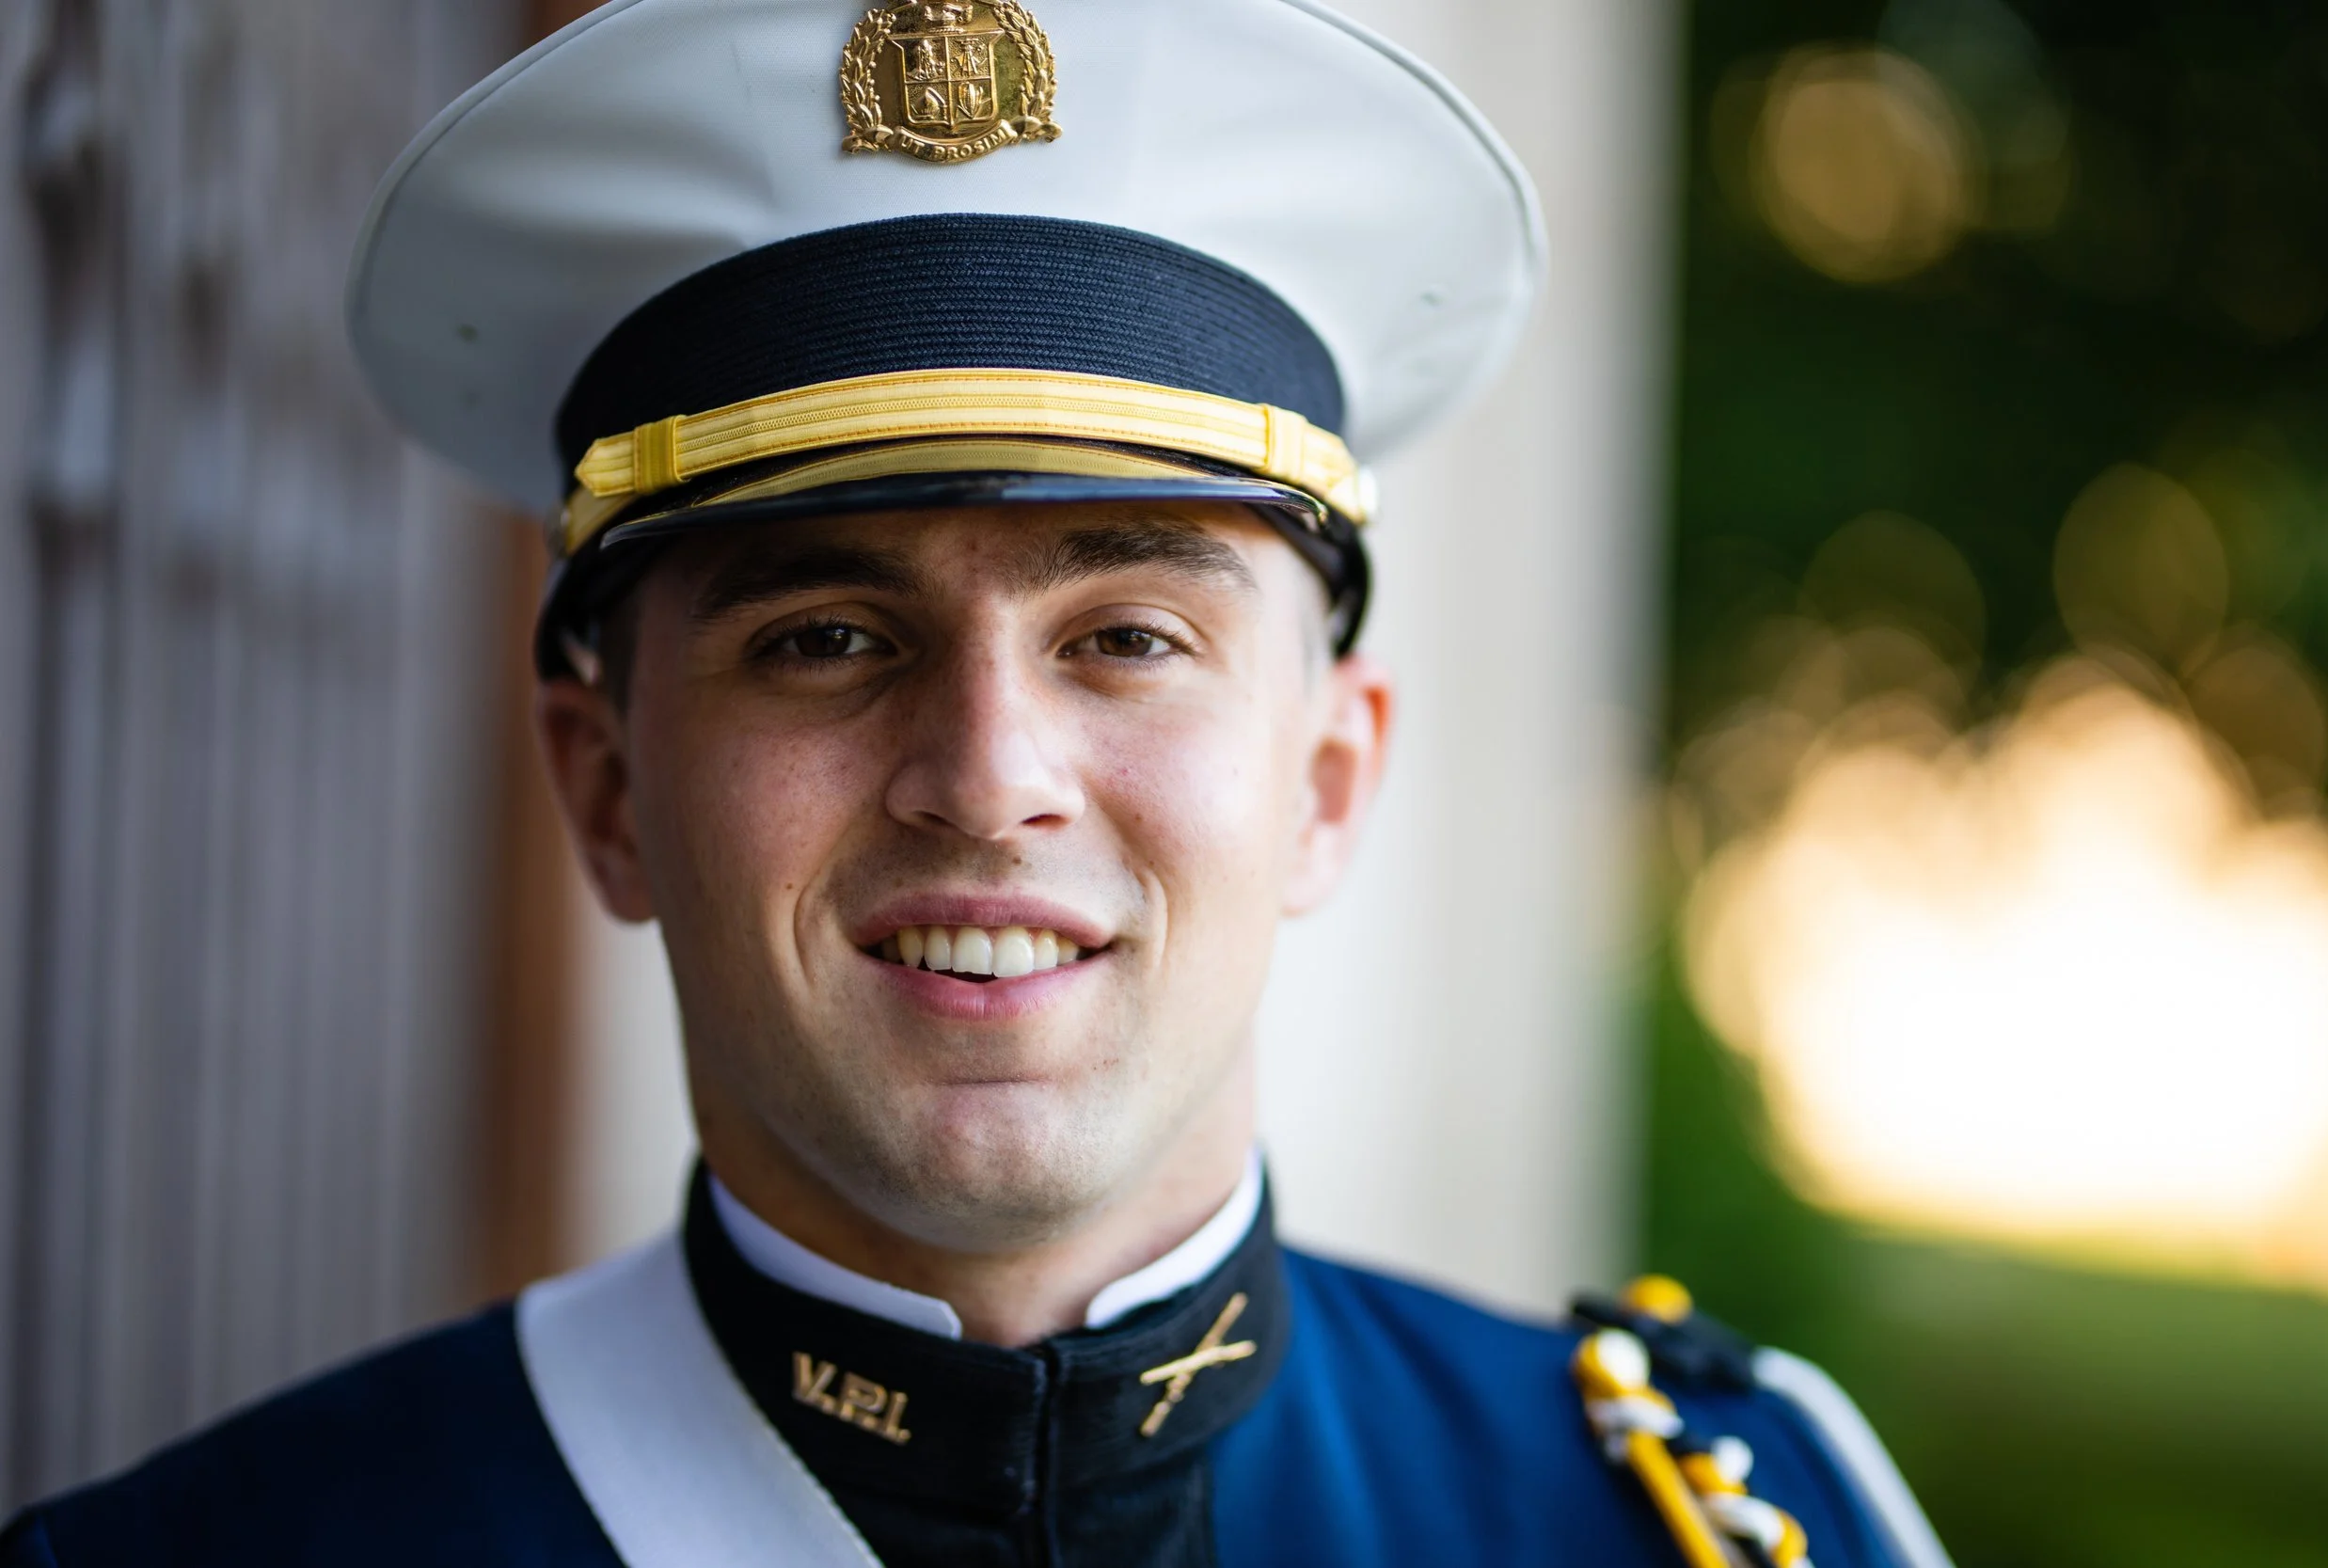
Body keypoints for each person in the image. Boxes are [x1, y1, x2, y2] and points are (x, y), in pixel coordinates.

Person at [1, 1, 1953, 1563]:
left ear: (1327, 782)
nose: (986, 777)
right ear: (605, 792)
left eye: (1126, 633)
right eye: (824, 637)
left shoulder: (1707, 1512)